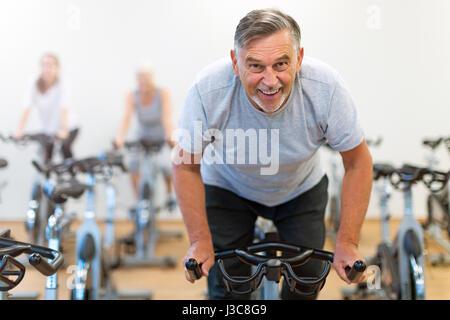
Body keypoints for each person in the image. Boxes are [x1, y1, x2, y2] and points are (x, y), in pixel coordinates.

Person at [173, 9, 373, 300]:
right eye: (255, 66)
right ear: (235, 63)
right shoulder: (208, 90)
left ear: (299, 59)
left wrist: (348, 242)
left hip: (300, 189)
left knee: (306, 283)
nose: (270, 81)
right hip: (228, 189)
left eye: (281, 64)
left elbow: (358, 162)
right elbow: (185, 166)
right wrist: (199, 241)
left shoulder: (326, 88)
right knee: (228, 289)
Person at [114, 63, 176, 205]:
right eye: (141, 77)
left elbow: (166, 117)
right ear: (137, 79)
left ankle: (169, 193)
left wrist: (169, 135)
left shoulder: (162, 93)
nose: (144, 80)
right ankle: (139, 203)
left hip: (160, 137)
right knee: (132, 163)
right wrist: (120, 138)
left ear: (152, 78)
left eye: (147, 77)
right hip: (142, 137)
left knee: (166, 165)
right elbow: (127, 118)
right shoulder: (132, 95)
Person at [14, 53, 80, 163]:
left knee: (65, 150)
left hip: (68, 126)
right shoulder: (34, 82)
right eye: (44, 65)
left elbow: (64, 106)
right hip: (49, 129)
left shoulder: (62, 82)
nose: (47, 68)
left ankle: (72, 177)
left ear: (57, 68)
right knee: (46, 158)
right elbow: (27, 106)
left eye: (51, 65)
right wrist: (20, 130)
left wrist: (64, 129)